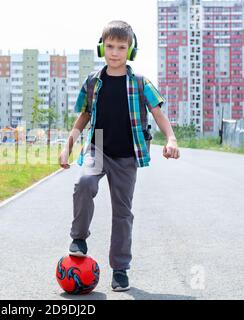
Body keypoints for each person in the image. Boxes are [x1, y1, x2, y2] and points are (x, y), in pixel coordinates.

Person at [58, 20, 180, 292]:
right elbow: (83, 117)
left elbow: (159, 114)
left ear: (130, 51)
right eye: (110, 46)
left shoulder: (139, 83)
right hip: (98, 146)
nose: (114, 52)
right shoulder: (93, 82)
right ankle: (79, 239)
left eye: (121, 47)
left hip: (127, 154)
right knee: (84, 184)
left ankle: (120, 269)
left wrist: (171, 138)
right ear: (102, 47)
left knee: (122, 213)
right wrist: (68, 145)